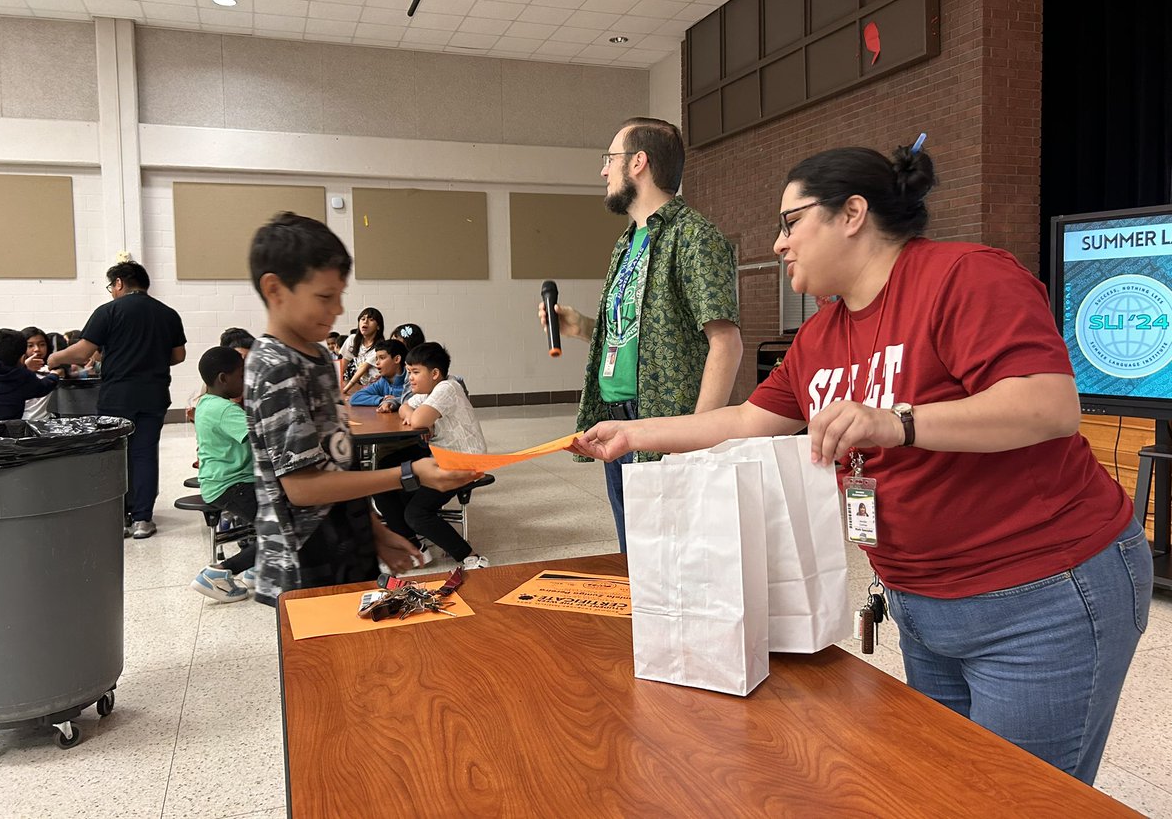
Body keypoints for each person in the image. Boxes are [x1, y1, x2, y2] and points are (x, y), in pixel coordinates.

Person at [572, 142, 1151, 785]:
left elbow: (1048, 405)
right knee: (949, 787)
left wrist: (897, 422)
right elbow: (744, 420)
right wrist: (632, 434)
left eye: (792, 222)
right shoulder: (821, 334)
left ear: (852, 213)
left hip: (1041, 594)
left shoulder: (964, 276)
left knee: (1020, 797)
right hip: (921, 601)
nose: (780, 244)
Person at [244, 212, 477, 606]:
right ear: (275, 289)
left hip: (345, 537)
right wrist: (408, 473)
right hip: (304, 559)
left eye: (340, 295)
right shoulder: (274, 366)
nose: (337, 310)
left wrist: (371, 529)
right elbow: (302, 487)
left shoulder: (318, 356)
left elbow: (340, 463)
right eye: (324, 297)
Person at [540, 116, 742, 552]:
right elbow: (646, 332)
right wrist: (582, 328)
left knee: (672, 555)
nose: (602, 170)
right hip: (619, 415)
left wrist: (695, 439)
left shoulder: (693, 236)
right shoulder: (628, 241)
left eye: (609, 159)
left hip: (665, 420)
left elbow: (726, 343)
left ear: (638, 162)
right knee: (636, 553)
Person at [50, 261, 186, 540]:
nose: (111, 291)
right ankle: (143, 520)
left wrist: (55, 358)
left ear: (120, 283)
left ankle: (119, 518)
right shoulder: (168, 313)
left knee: (116, 455)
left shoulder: (108, 311)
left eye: (111, 286)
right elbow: (178, 356)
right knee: (145, 454)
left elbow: (83, 351)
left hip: (117, 397)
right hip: (154, 395)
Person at [375, 341, 489, 570]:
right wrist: (411, 412)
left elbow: (416, 420)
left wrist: (416, 417)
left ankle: (470, 557)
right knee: (386, 469)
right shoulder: (429, 391)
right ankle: (414, 545)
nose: (410, 379)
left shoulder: (448, 388)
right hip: (440, 455)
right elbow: (405, 406)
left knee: (416, 513)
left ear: (435, 373)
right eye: (408, 373)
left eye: (415, 372)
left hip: (464, 461)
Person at [189, 346, 259, 603]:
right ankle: (218, 572)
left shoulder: (207, 403)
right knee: (282, 529)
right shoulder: (225, 410)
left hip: (220, 482)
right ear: (223, 378)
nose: (245, 380)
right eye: (241, 375)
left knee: (274, 520)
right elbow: (261, 439)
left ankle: (255, 569)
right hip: (233, 484)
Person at [0, 328, 59, 423]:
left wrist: (24, 366)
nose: (37, 349)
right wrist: (54, 375)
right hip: (4, 432)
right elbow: (44, 387)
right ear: (22, 357)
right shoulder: (22, 377)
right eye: (30, 345)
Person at [339, 307, 386, 397]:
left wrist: (345, 390)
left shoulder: (380, 346)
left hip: (378, 386)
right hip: (364, 386)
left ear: (378, 326)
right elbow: (344, 363)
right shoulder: (352, 339)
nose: (365, 322)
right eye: (362, 319)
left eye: (371, 319)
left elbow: (363, 368)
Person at [349, 339, 407, 409]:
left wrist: (395, 401)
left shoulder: (411, 381)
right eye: (376, 358)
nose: (377, 363)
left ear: (397, 359)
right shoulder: (383, 382)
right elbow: (355, 398)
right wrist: (383, 400)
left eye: (382, 358)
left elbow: (417, 400)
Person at [19, 326, 61, 420]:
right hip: (19, 424)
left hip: (44, 422)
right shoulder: (13, 372)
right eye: (30, 346)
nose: (37, 349)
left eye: (42, 344)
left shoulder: (50, 370)